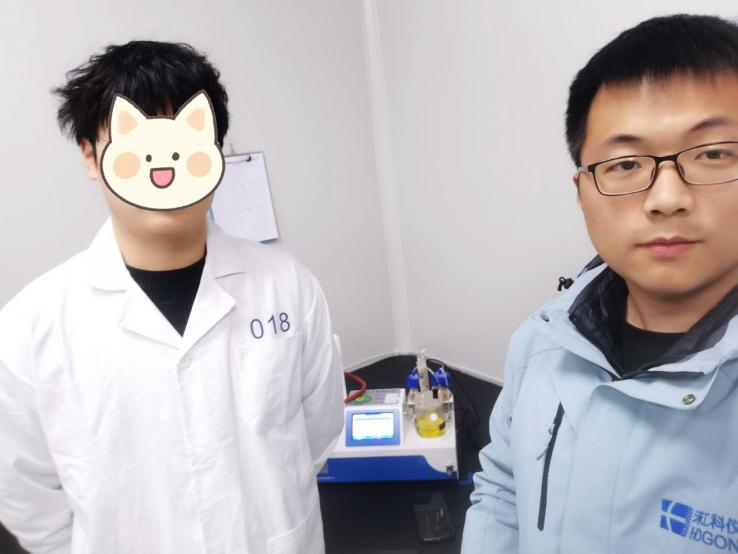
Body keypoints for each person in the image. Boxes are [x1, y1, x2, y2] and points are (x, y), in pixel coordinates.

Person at [0, 40, 344, 554]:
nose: (164, 169)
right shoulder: (30, 328)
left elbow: (317, 436)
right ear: (91, 156)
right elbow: (28, 499)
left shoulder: (288, 287)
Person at [462, 14, 738, 553]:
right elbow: (502, 490)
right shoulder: (542, 341)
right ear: (582, 192)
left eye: (713, 154)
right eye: (626, 163)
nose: (666, 198)